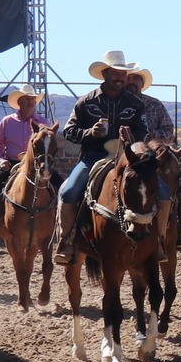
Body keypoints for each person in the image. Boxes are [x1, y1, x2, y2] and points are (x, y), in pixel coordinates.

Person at [54, 51, 154, 264]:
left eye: (123, 73)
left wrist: (132, 137)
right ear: (105, 74)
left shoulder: (136, 104)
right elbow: (69, 131)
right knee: (70, 191)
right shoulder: (86, 102)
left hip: (128, 158)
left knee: (162, 191)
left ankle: (160, 240)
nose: (120, 78)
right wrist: (91, 133)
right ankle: (67, 241)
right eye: (115, 73)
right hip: (94, 156)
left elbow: (144, 132)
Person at [0, 88, 44, 238]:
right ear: (19, 102)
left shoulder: (43, 123)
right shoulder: (7, 122)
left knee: (59, 185)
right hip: (11, 162)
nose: (30, 102)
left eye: (33, 99)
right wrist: (1, 160)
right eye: (27, 99)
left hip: (35, 164)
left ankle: (58, 220)